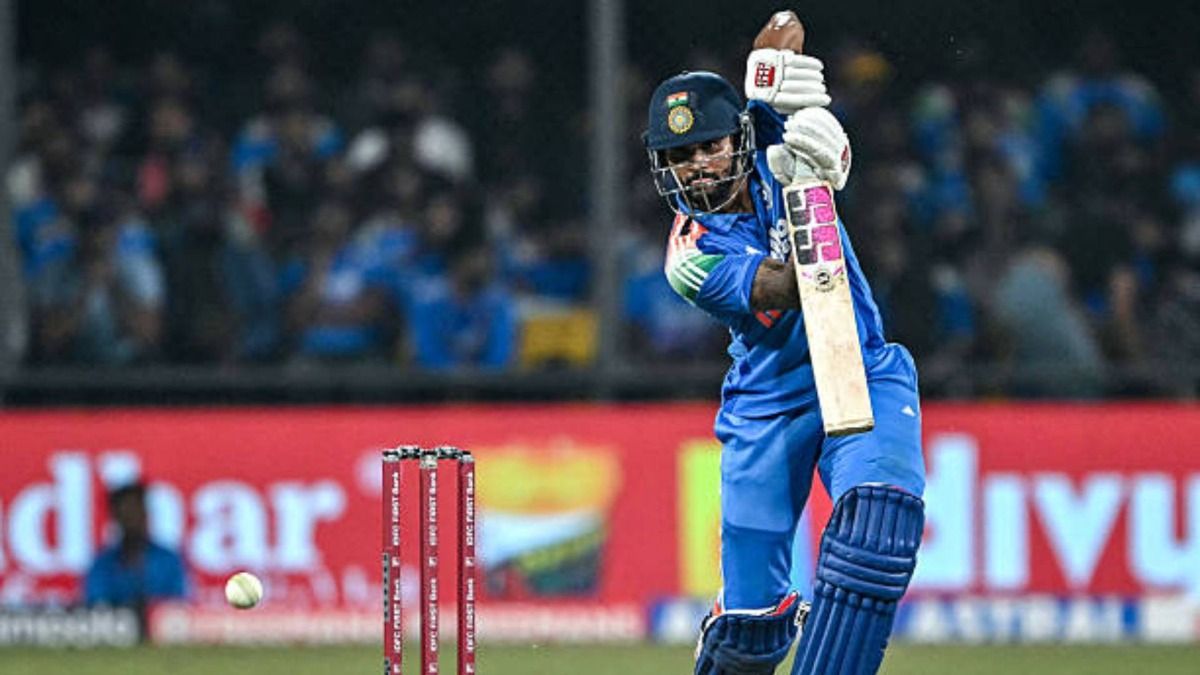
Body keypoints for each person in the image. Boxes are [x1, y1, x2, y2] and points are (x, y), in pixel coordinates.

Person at [643, 38, 926, 675]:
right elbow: (794, 285)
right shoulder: (689, 255)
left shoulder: (768, 132)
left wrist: (771, 69)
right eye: (680, 157)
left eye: (709, 146)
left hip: (861, 369)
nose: (697, 167)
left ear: (737, 136)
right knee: (751, 629)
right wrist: (816, 189)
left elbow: (784, 28)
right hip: (768, 410)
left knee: (877, 531)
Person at [84, 482, 189, 609]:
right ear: (116, 518)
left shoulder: (169, 561)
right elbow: (95, 607)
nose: (133, 520)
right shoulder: (102, 565)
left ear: (145, 513)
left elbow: (180, 604)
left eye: (137, 511)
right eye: (127, 514)